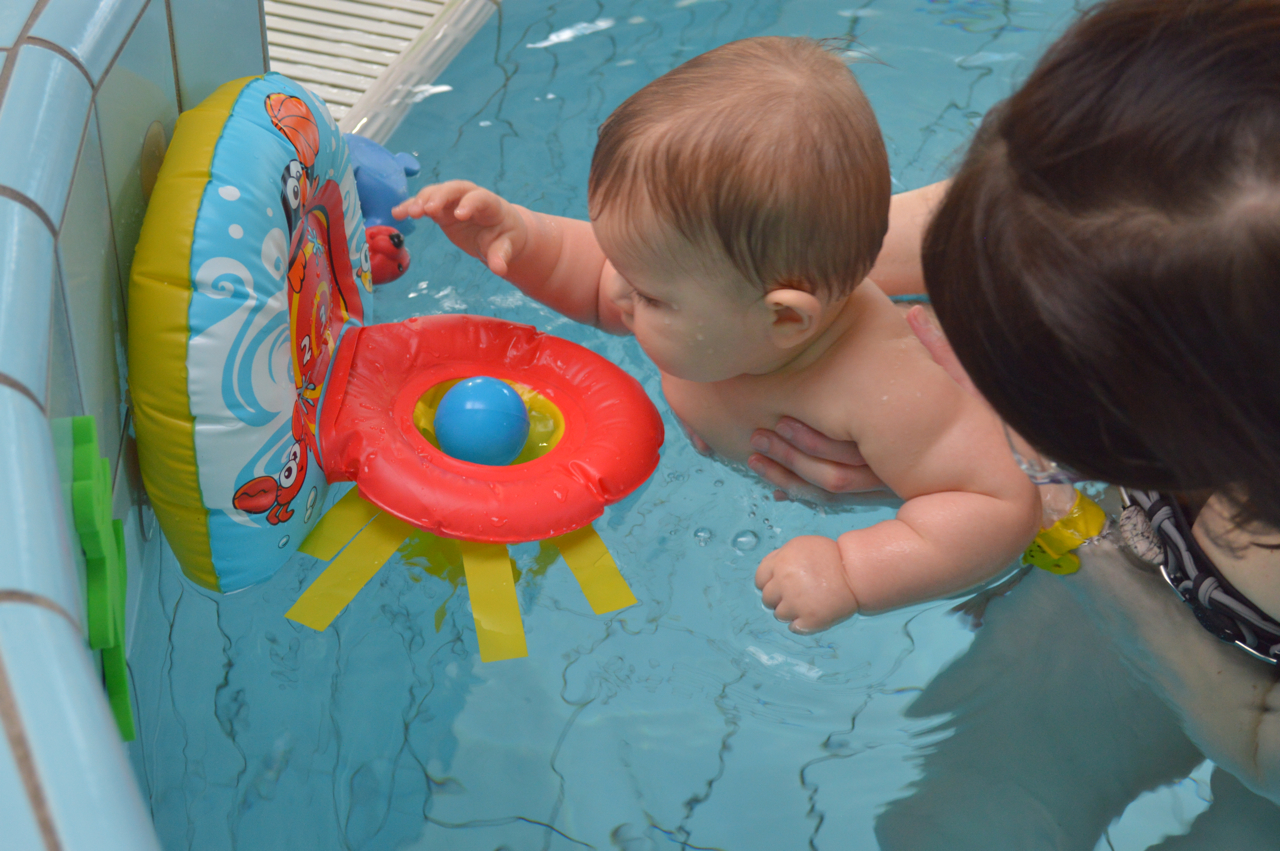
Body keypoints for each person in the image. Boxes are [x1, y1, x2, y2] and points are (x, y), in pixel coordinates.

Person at [743, 0, 1280, 830]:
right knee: (948, 827)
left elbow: (1257, 745)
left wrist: (1045, 512)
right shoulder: (1227, 168)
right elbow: (1053, 213)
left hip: (1244, 708)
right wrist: (764, 273)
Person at [393, 37, 1041, 632]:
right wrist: (521, 236)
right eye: (622, 265)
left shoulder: (888, 391)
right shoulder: (705, 292)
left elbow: (997, 506)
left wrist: (852, 571)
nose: (616, 292)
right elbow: (591, 276)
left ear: (784, 319)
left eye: (650, 296)